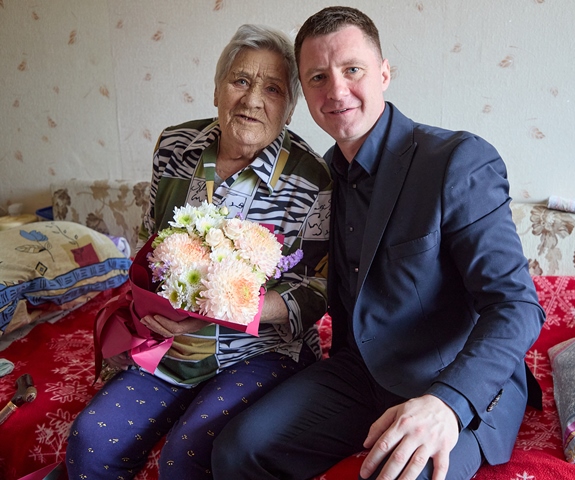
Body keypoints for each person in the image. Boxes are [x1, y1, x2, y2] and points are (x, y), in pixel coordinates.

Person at [210, 6, 545, 480]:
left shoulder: (456, 160)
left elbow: (516, 305)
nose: (336, 91)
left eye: (352, 70)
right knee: (237, 450)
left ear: (384, 73)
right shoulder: (321, 179)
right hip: (359, 373)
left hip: (447, 379)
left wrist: (447, 403)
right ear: (305, 91)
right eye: (318, 77)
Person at [65, 24, 331, 479]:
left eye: (272, 89)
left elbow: (317, 290)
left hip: (260, 349)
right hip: (169, 343)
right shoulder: (175, 148)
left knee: (185, 454)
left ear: (289, 109)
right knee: (90, 442)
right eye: (240, 80)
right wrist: (144, 313)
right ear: (216, 89)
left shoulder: (311, 179)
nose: (252, 100)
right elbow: (150, 241)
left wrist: (226, 309)